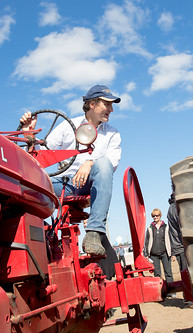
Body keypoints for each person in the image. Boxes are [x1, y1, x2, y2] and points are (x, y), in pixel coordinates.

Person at [20, 85, 121, 256]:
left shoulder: (113, 133)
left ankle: (94, 233)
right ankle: (37, 238)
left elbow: (112, 162)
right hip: (67, 183)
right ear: (92, 104)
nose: (111, 109)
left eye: (111, 105)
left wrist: (89, 163)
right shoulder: (69, 125)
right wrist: (29, 136)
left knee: (103, 163)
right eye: (107, 104)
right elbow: (43, 152)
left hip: (93, 184)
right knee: (23, 186)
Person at [167, 193, 193, 308]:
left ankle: (188, 298)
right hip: (181, 245)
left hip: (177, 246)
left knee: (184, 271)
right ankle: (188, 299)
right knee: (185, 272)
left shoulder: (170, 209)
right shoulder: (176, 209)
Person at [144, 209, 174, 284]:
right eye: (153, 216)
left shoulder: (166, 227)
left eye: (157, 215)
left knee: (168, 273)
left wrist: (172, 254)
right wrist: (146, 254)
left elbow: (170, 240)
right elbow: (147, 241)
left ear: (160, 216)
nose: (155, 217)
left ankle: (171, 292)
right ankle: (160, 291)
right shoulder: (150, 227)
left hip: (165, 253)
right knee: (157, 274)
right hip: (154, 255)